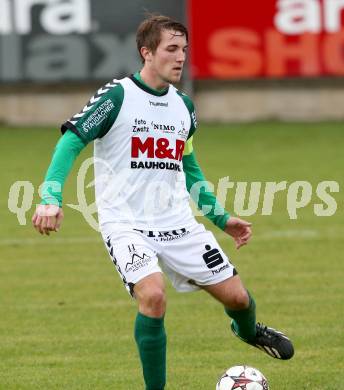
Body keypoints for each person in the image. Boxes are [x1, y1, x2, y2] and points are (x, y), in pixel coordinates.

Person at [32, 14, 294, 390]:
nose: (180, 57)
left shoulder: (184, 107)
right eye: (171, 49)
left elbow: (190, 167)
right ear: (147, 52)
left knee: (238, 298)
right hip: (126, 224)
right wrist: (49, 197)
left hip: (179, 223)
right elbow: (70, 141)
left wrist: (222, 218)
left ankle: (250, 332)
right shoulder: (117, 96)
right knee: (153, 295)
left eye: (184, 50)